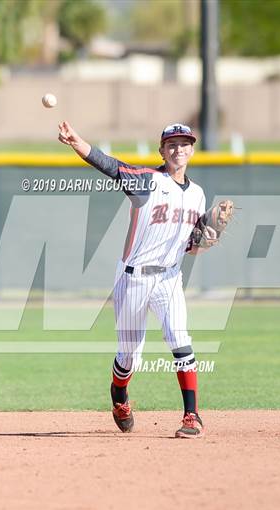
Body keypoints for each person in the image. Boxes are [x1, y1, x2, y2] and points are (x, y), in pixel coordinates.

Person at [58, 121, 214, 438]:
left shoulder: (197, 195)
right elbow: (113, 167)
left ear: (192, 149)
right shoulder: (147, 181)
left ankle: (192, 415)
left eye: (184, 143)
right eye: (172, 144)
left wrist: (209, 236)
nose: (178, 149)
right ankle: (119, 395)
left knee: (179, 338)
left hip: (169, 278)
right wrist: (79, 144)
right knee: (129, 356)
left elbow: (192, 248)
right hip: (134, 278)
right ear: (162, 150)